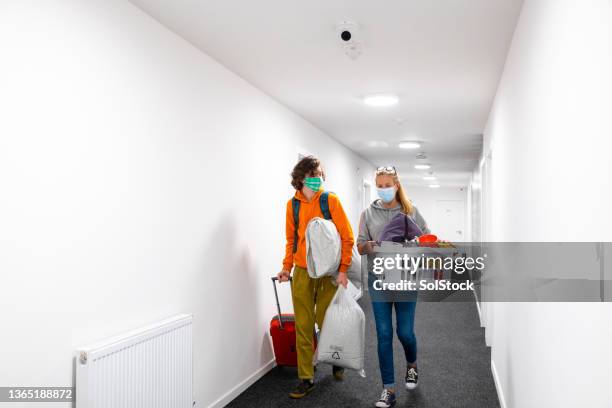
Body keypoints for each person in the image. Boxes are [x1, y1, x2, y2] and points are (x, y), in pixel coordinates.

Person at [277, 156, 355, 399]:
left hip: (328, 271)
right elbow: (291, 241)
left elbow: (347, 237)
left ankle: (336, 358)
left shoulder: (329, 200)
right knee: (303, 325)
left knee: (328, 320)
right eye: (312, 175)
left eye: (320, 174)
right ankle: (306, 377)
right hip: (302, 271)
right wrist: (286, 268)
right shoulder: (293, 205)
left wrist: (343, 270)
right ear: (300, 178)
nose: (317, 179)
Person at [357, 166, 430, 408]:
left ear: (397, 186)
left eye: (388, 185)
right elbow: (359, 247)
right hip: (378, 280)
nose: (384, 189)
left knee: (405, 333)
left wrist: (415, 244)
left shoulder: (411, 211)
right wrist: (373, 245)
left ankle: (412, 365)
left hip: (406, 278)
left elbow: (428, 239)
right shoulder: (367, 214)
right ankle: (388, 389)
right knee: (384, 334)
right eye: (380, 185)